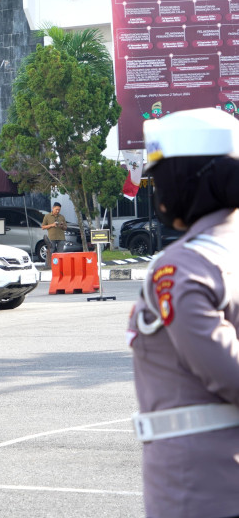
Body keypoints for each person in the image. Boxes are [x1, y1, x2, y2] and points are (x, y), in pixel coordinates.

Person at [128, 107, 239, 517]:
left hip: (199, 485)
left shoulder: (183, 266)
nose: (158, 194)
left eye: (161, 180)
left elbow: (229, 373)